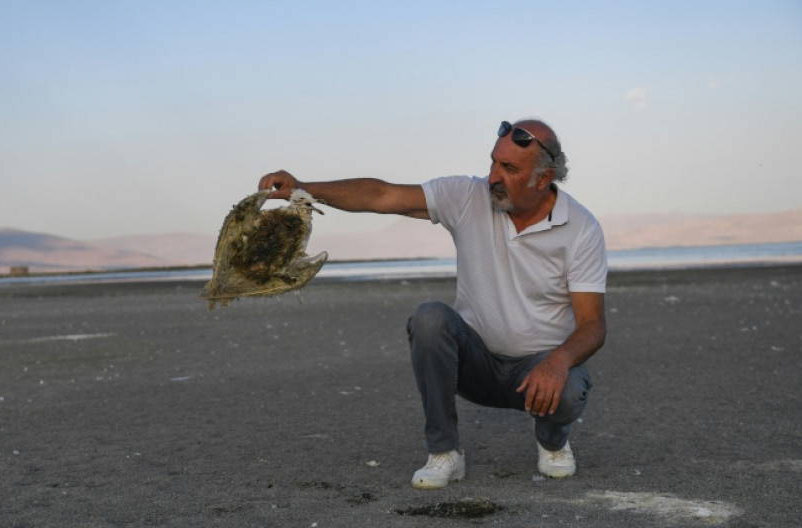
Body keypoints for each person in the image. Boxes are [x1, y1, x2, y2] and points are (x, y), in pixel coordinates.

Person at [258, 119, 607, 490]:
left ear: (543, 177)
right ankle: (444, 453)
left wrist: (557, 362)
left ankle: (552, 443)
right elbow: (382, 195)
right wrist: (303, 188)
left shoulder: (581, 228)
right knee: (429, 319)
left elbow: (592, 325)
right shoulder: (467, 196)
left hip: (537, 374)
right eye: (493, 162)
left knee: (571, 386)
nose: (493, 176)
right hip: (474, 364)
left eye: (509, 168)